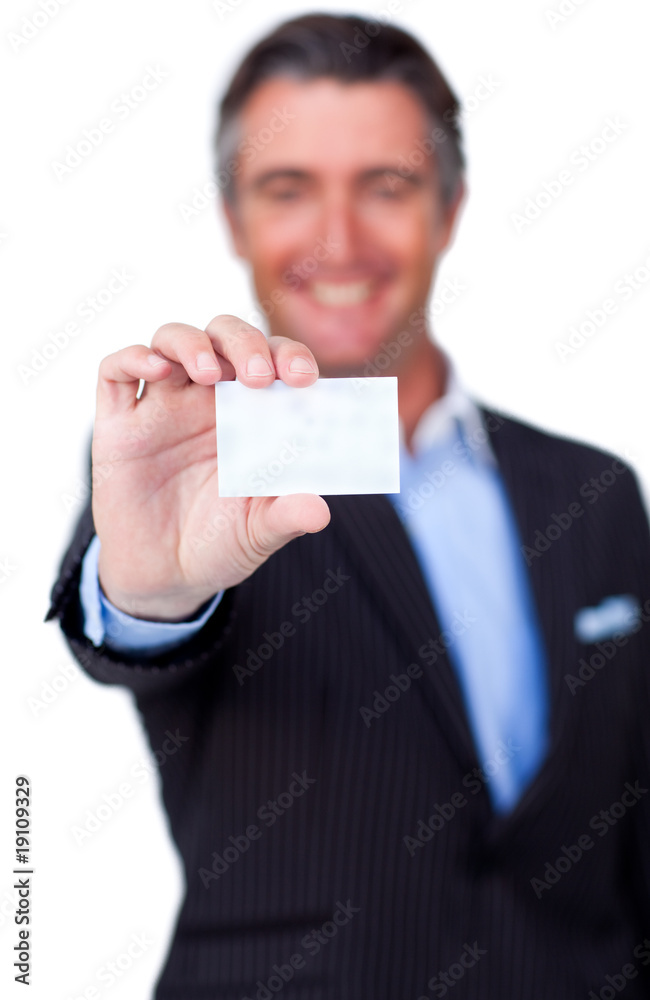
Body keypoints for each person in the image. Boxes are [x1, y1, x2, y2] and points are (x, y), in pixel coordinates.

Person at [48, 13, 650, 999]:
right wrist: (147, 592)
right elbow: (131, 620)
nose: (338, 239)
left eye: (387, 186)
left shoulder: (591, 495)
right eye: (289, 191)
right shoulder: (191, 469)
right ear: (235, 217)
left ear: (448, 210)